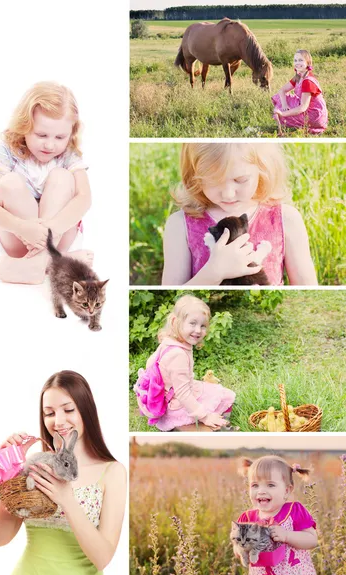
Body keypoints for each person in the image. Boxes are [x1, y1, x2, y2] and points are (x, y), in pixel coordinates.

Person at [0, 370, 126, 575]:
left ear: (86, 409)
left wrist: (67, 500)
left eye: (68, 409)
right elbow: (1, 538)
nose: (59, 421)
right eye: (50, 413)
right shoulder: (39, 468)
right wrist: (9, 473)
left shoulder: (112, 472)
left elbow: (103, 559)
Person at [0, 82, 93, 284]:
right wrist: (22, 227)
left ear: (72, 131)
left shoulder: (68, 153)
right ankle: (59, 263)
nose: (50, 144)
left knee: (63, 177)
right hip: (18, 238)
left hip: (59, 236)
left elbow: (85, 198)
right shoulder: (9, 149)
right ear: (24, 126)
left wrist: (52, 230)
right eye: (41, 135)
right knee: (8, 183)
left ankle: (36, 265)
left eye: (60, 137)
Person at [162, 143, 317, 286]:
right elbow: (174, 297)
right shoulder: (180, 225)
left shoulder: (286, 219)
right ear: (194, 176)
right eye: (214, 181)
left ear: (262, 169)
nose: (228, 194)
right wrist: (213, 273)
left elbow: (308, 289)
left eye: (241, 180)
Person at [135, 295, 235, 432]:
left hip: (169, 395)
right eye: (192, 323)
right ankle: (209, 427)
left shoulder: (169, 341)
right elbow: (183, 394)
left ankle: (193, 425)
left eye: (203, 325)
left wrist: (167, 384)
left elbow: (150, 364)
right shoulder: (178, 355)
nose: (198, 330)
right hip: (177, 404)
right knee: (226, 396)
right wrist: (205, 416)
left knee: (212, 391)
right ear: (176, 322)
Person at [237, 455, 318, 575]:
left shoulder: (294, 511)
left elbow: (312, 540)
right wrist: (241, 551)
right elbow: (237, 546)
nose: (261, 491)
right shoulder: (247, 519)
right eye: (255, 485)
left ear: (287, 491)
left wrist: (287, 535)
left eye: (270, 485)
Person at [272, 50, 328, 136]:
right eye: (295, 60)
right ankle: (284, 119)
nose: (297, 63)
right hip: (306, 108)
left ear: (308, 62)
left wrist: (283, 113)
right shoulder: (298, 76)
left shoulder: (307, 81)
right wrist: (284, 106)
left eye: (301, 60)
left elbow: (302, 107)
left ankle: (290, 122)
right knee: (281, 98)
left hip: (314, 114)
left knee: (283, 113)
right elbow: (282, 91)